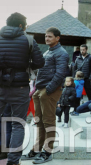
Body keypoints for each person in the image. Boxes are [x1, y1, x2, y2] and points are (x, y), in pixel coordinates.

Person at [0, 12, 45, 165]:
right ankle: (13, 162)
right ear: (21, 26)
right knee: (17, 125)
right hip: (19, 87)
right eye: (25, 25)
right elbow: (40, 62)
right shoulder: (29, 40)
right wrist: (25, 68)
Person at [23, 27, 69, 164]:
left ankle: (48, 152)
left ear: (57, 38)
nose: (47, 38)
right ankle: (36, 150)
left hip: (49, 90)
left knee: (48, 122)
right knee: (39, 121)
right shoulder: (48, 51)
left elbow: (60, 74)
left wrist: (49, 89)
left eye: (49, 36)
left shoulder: (62, 53)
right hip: (40, 90)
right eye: (46, 36)